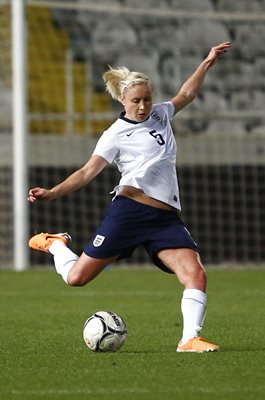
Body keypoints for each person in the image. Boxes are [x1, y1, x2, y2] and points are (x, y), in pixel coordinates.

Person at [28, 41, 231, 353]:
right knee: (77, 278)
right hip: (129, 213)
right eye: (136, 100)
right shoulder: (114, 134)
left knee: (195, 273)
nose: (143, 106)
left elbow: (187, 94)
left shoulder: (162, 114)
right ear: (122, 100)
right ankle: (56, 244)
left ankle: (189, 339)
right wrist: (53, 192)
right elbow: (86, 172)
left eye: (147, 99)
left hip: (164, 219)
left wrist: (207, 61)